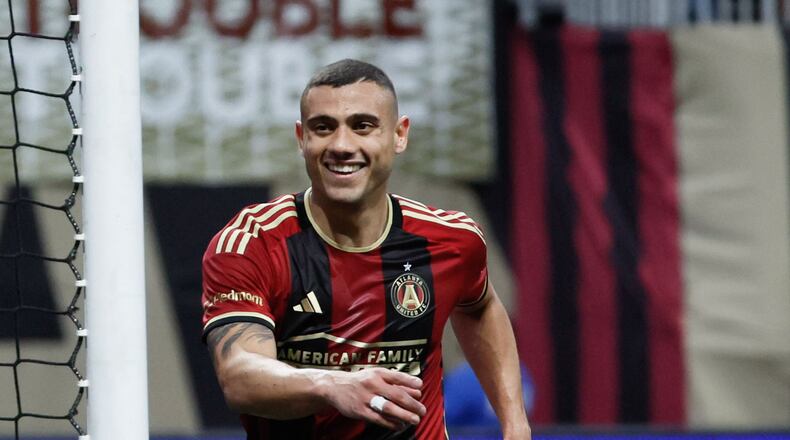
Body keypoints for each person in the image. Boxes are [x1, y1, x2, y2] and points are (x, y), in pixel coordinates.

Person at [201, 58, 531, 439]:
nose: (342, 145)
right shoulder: (251, 243)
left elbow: (480, 306)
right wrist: (332, 385)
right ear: (301, 138)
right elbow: (240, 376)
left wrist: (515, 423)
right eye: (323, 128)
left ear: (399, 135)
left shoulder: (453, 239)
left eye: (363, 126)